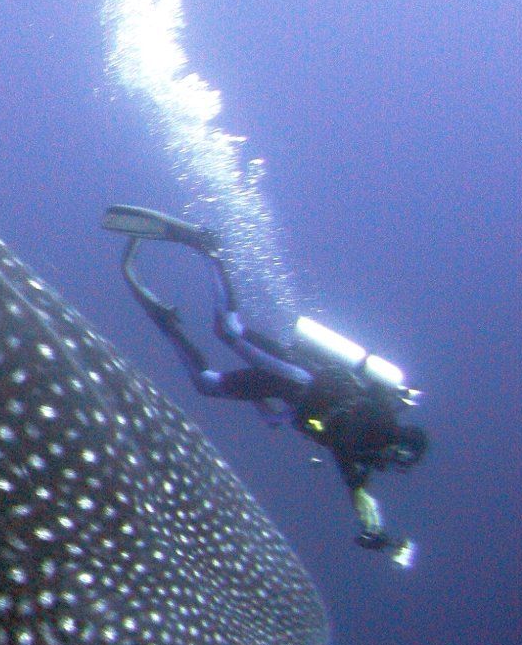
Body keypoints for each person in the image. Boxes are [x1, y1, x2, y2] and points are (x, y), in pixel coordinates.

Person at [101, 205, 427, 565]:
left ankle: (160, 316)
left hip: (287, 398)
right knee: (230, 331)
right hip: (299, 379)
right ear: (401, 445)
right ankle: (207, 248)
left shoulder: (362, 454)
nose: (393, 463)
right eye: (400, 458)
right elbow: (356, 459)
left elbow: (359, 493)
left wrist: (379, 535)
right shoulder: (380, 421)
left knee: (205, 383)